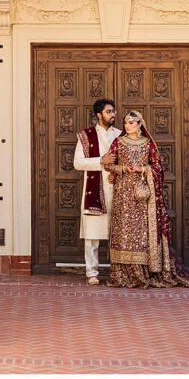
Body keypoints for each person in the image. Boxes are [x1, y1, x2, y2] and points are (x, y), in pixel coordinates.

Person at [106, 110, 189, 289]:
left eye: (131, 123)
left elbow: (157, 167)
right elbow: (108, 164)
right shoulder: (117, 142)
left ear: (139, 125)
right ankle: (123, 275)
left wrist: (143, 170)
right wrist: (124, 169)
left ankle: (144, 272)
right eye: (126, 122)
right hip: (123, 192)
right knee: (124, 229)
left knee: (142, 230)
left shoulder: (148, 144)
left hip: (143, 193)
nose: (127, 126)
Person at [73, 98, 121, 285]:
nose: (113, 115)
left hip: (117, 188)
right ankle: (91, 273)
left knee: (118, 232)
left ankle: (119, 270)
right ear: (99, 115)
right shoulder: (85, 136)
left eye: (114, 111)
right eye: (109, 112)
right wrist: (101, 160)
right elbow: (78, 163)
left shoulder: (120, 134)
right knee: (93, 234)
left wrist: (117, 172)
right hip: (95, 190)